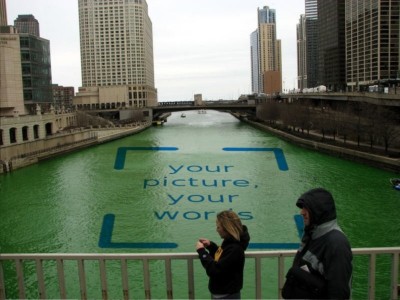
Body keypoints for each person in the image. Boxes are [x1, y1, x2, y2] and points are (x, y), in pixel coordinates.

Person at [282, 188, 353, 299]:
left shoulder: (337, 244)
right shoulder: (312, 234)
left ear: (318, 211)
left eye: (306, 208)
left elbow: (338, 292)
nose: (302, 212)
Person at [196, 210, 250, 300]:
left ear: (227, 228)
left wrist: (202, 252)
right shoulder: (231, 242)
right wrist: (211, 246)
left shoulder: (234, 249)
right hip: (226, 294)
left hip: (226, 295)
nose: (216, 230)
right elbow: (224, 259)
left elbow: (214, 270)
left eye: (218, 227)